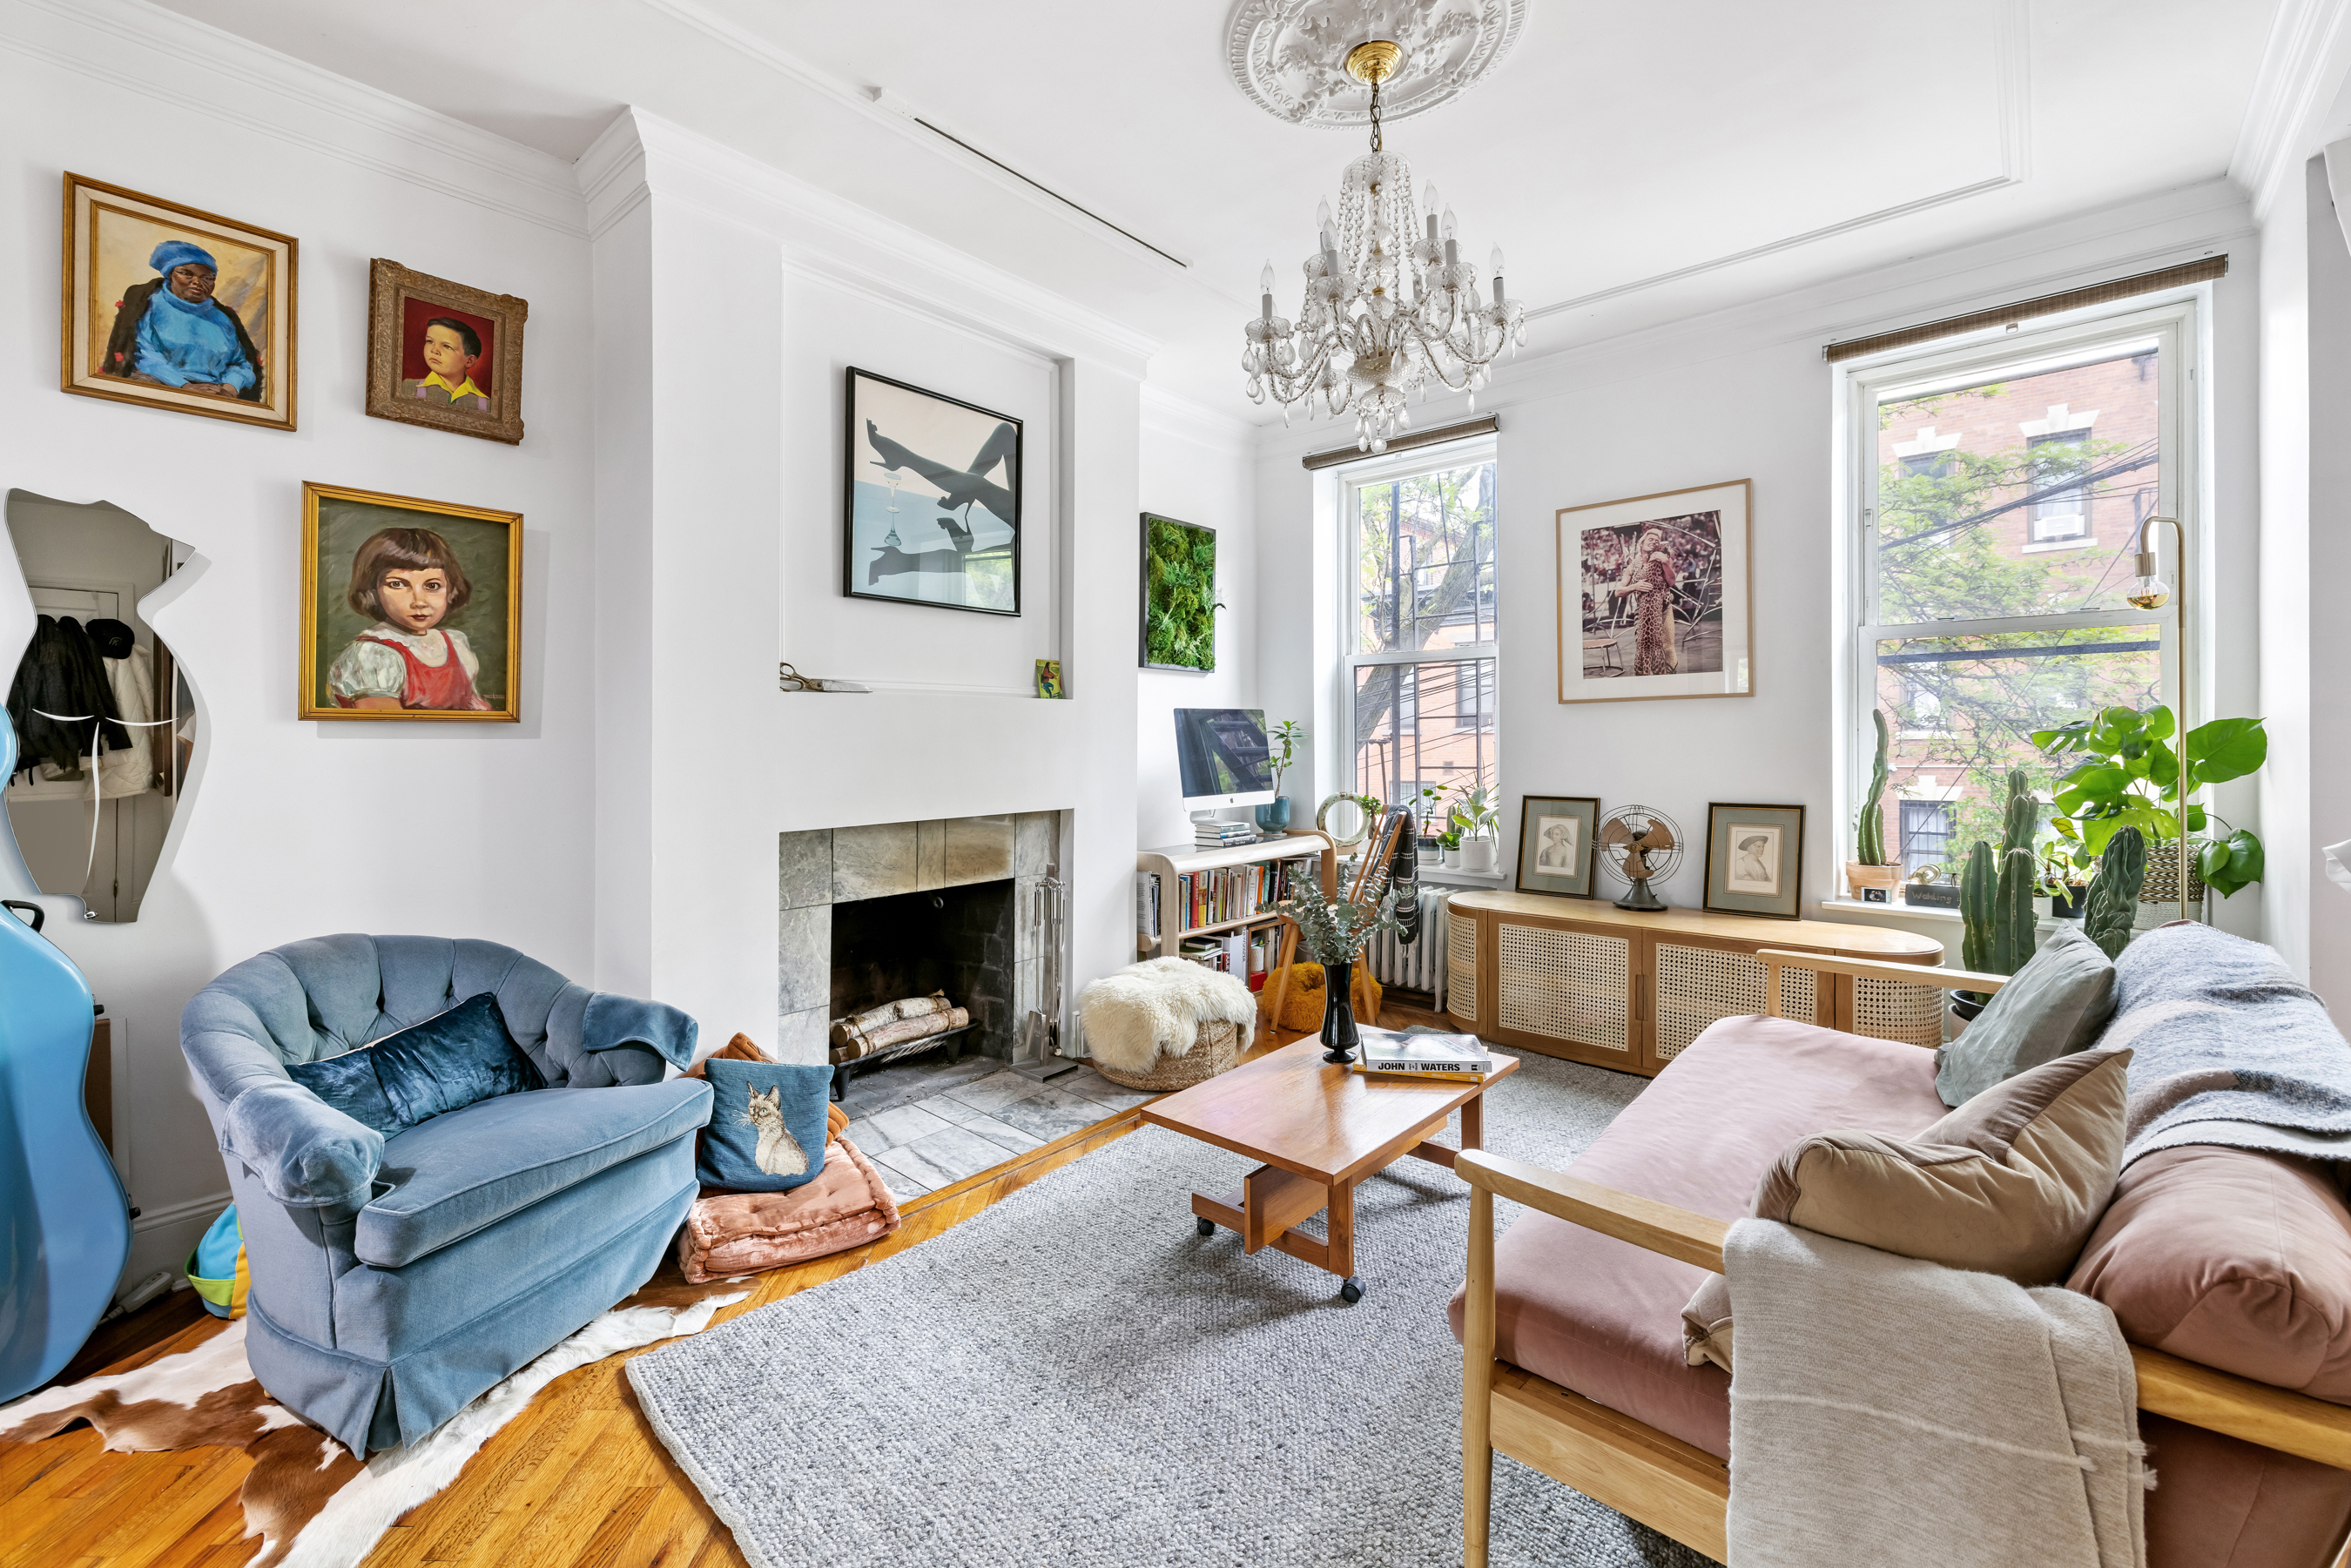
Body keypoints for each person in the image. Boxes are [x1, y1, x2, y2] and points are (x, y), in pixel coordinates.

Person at [327, 528, 493, 711]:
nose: (419, 602)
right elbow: (387, 727)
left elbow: (475, 711)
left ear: (451, 590)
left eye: (432, 586)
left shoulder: (455, 644)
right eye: (397, 584)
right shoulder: (373, 655)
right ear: (373, 590)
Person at [100, 240, 261, 401]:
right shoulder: (151, 306)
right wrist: (185, 386)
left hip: (216, 391)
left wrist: (230, 388)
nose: (198, 282)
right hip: (164, 384)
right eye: (187, 274)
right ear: (170, 274)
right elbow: (146, 356)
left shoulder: (222, 319)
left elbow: (240, 363)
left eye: (206, 277)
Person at [1609, 526, 1679, 676]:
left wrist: (1665, 561)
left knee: (1667, 647)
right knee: (1644, 648)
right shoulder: (1632, 566)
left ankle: (1671, 681)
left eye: (1657, 540)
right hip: (1643, 613)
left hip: (1664, 609)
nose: (1654, 542)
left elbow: (1672, 582)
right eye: (1650, 539)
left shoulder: (1664, 559)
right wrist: (1635, 586)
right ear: (1641, 543)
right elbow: (1618, 592)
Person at [398, 318, 490, 412]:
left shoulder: (485, 404)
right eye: (430, 341)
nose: (434, 350)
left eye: (447, 346)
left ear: (469, 361)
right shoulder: (408, 387)